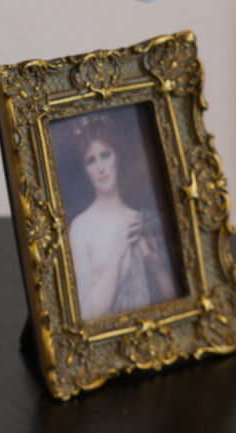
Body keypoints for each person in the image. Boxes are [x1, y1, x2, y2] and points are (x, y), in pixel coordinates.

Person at [68, 120, 178, 321]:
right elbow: (87, 314)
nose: (100, 168)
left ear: (116, 157)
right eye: (91, 160)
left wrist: (155, 267)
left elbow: (173, 300)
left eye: (105, 155)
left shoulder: (142, 221)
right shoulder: (80, 228)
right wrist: (118, 252)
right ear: (86, 170)